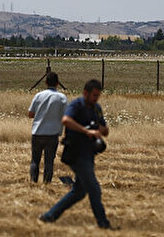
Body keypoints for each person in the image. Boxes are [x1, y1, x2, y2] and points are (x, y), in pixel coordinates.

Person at [39, 79, 117, 230]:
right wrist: (86, 130)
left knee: (79, 192)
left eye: (98, 96)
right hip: (76, 154)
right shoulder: (77, 105)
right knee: (94, 188)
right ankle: (103, 224)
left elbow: (105, 129)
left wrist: (99, 130)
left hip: (89, 154)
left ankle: (49, 216)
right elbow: (66, 120)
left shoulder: (96, 108)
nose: (96, 98)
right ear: (85, 93)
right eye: (94, 95)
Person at [28, 72, 67, 184]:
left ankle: (33, 183)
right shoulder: (61, 97)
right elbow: (66, 116)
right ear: (58, 83)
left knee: (35, 160)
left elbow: (30, 114)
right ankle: (46, 184)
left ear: (45, 82)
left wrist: (41, 115)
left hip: (37, 132)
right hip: (52, 134)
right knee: (49, 162)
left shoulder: (38, 96)